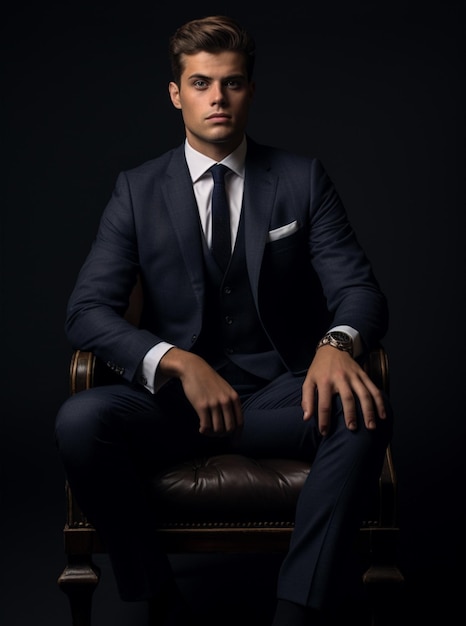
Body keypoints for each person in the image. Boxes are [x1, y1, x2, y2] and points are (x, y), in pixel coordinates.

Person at [55, 14, 393, 626]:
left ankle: (296, 608)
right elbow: (85, 313)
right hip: (174, 410)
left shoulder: (301, 179)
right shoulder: (136, 191)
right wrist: (178, 363)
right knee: (80, 420)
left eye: (232, 83)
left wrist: (336, 344)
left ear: (250, 91)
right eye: (202, 83)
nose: (218, 98)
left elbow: (361, 291)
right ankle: (159, 597)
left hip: (281, 397)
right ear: (176, 94)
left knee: (363, 415)